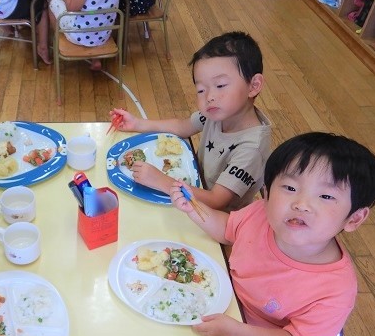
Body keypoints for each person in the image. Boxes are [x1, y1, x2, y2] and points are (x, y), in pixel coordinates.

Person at [164, 132, 375, 336]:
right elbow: (227, 229)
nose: (301, 204)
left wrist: (238, 333)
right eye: (291, 187)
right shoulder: (258, 216)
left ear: (354, 218)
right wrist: (193, 209)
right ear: (266, 193)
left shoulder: (336, 288)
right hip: (227, 305)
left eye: (326, 197)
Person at [110, 31, 271, 211]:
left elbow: (217, 201)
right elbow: (183, 126)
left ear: (254, 85)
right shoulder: (219, 113)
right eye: (201, 90)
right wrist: (138, 124)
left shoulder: (251, 148)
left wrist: (161, 181)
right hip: (190, 190)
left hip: (214, 219)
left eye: (220, 86)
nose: (209, 96)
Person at [49, 0, 127, 71]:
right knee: (92, 12)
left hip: (79, 35)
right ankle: (96, 58)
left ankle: (60, 40)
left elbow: (71, 8)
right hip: (103, 34)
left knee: (53, 2)